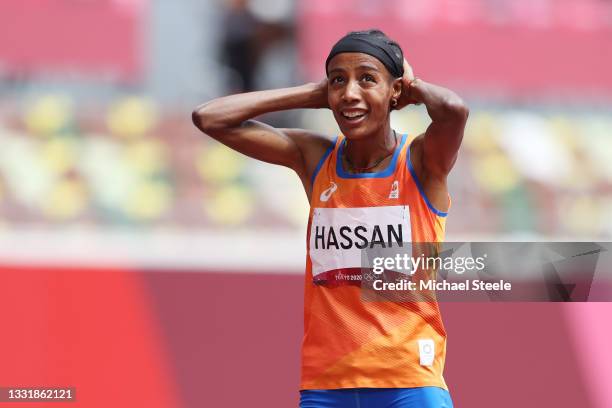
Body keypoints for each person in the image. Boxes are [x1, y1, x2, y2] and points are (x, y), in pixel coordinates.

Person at [193, 29, 467, 408]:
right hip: (326, 387)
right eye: (339, 80)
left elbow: (454, 111)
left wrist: (411, 85)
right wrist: (312, 94)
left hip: (409, 385)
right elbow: (209, 118)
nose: (350, 93)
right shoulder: (314, 157)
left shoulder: (421, 162)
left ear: (395, 92)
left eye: (367, 79)